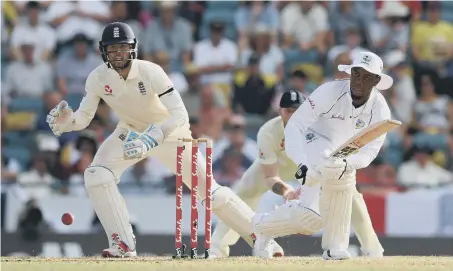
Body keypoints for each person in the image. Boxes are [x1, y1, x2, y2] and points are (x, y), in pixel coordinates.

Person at [46, 22, 262, 257]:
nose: (118, 55)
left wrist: (152, 137)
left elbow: (180, 114)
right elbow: (84, 118)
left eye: (122, 48)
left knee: (210, 193)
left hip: (169, 133)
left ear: (132, 49)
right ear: (103, 52)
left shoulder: (151, 72)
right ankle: (123, 244)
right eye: (112, 49)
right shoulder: (97, 78)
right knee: (96, 174)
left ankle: (261, 238)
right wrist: (67, 123)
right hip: (130, 131)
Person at [258, 52, 392, 260]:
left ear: (376, 80)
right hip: (313, 140)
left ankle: (334, 247)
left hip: (342, 153)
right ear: (350, 72)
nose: (359, 81)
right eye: (356, 73)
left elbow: (370, 152)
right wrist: (303, 162)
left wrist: (348, 163)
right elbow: (296, 125)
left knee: (322, 204)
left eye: (367, 77)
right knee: (313, 210)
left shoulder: (381, 110)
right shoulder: (330, 91)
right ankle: (262, 225)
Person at [210, 90, 304, 258]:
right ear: (280, 111)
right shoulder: (268, 131)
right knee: (243, 191)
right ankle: (218, 247)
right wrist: (286, 191)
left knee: (346, 191)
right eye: (288, 111)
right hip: (277, 170)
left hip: (307, 172)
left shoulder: (317, 129)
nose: (293, 116)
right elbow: (269, 175)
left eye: (297, 111)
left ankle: (364, 248)